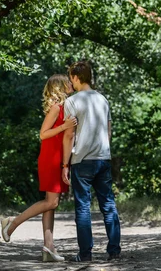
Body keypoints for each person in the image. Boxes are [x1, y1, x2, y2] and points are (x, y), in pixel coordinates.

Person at [0, 74, 77, 262]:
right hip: (50, 159)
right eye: (67, 82)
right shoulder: (56, 108)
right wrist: (63, 127)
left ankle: (48, 248)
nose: (70, 84)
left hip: (58, 158)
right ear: (60, 87)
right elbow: (43, 134)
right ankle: (12, 223)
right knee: (51, 203)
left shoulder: (65, 107)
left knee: (51, 204)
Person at [61, 61, 121, 262]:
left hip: (82, 160)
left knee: (83, 207)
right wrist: (103, 149)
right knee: (108, 204)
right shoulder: (103, 100)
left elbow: (69, 135)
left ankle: (85, 253)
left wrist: (65, 164)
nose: (71, 81)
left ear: (77, 77)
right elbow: (109, 130)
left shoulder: (72, 101)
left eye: (71, 77)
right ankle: (114, 250)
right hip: (103, 158)